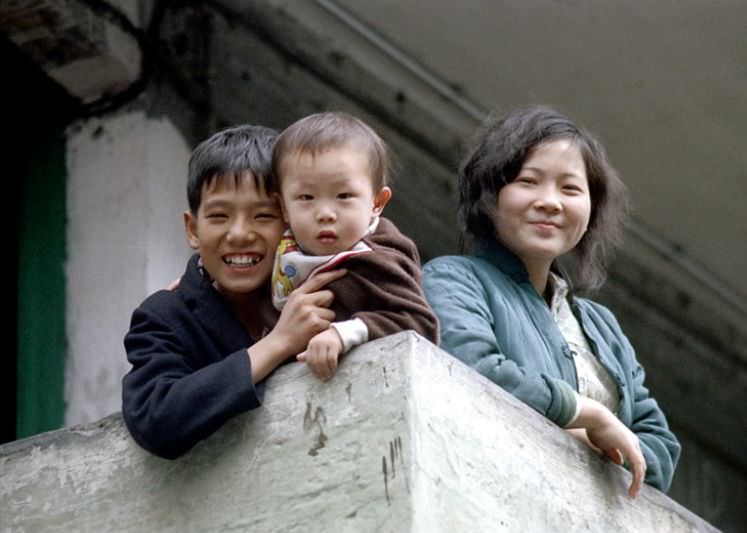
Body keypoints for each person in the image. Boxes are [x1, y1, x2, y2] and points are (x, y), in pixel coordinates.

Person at [422, 106, 680, 497]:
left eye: (570, 189)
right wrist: (582, 412)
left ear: (591, 211)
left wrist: (595, 445)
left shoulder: (602, 326)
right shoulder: (454, 279)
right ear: (489, 196)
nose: (550, 202)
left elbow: (660, 450)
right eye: (529, 181)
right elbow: (470, 370)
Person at [122, 125, 345, 459]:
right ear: (193, 229)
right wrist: (279, 342)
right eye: (219, 216)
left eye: (263, 215)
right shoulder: (167, 316)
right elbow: (156, 417)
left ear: (291, 221)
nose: (240, 234)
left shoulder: (328, 285)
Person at [270, 111, 439, 381]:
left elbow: (421, 325)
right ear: (283, 208)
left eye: (344, 196)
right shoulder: (285, 253)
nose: (325, 213)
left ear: (377, 203)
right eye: (306, 197)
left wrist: (345, 333)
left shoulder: (379, 260)